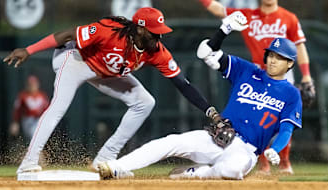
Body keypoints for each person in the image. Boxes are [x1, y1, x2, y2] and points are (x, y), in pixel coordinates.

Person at [3, 7, 221, 174]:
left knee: (145, 102)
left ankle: (105, 160)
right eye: (154, 33)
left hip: (105, 72)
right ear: (140, 28)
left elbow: (183, 84)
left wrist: (210, 110)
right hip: (75, 60)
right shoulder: (110, 31)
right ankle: (28, 162)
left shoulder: (157, 52)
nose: (158, 38)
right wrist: (28, 50)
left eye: (161, 33)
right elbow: (66, 35)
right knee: (59, 106)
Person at [96, 12, 303, 180]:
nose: (273, 60)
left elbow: (286, 129)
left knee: (230, 171)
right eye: (271, 55)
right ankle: (116, 167)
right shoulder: (247, 70)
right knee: (169, 142)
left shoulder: (291, 94)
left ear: (290, 63)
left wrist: (275, 149)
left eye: (280, 58)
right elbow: (206, 54)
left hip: (246, 151)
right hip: (217, 137)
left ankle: (195, 174)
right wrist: (224, 30)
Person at [198, 0, 315, 174]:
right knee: (257, 120)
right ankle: (264, 164)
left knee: (284, 120)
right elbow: (218, 9)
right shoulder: (248, 15)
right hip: (257, 75)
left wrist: (306, 75)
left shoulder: (288, 18)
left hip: (283, 76)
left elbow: (299, 46)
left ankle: (284, 161)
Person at [9, 75, 49, 144]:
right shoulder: (23, 96)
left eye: (34, 84)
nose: (32, 86)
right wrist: (15, 123)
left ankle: (36, 153)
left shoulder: (42, 96)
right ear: (27, 85)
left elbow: (47, 110)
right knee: (33, 138)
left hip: (40, 120)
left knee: (36, 139)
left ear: (37, 84)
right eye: (30, 84)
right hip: (28, 120)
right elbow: (17, 110)